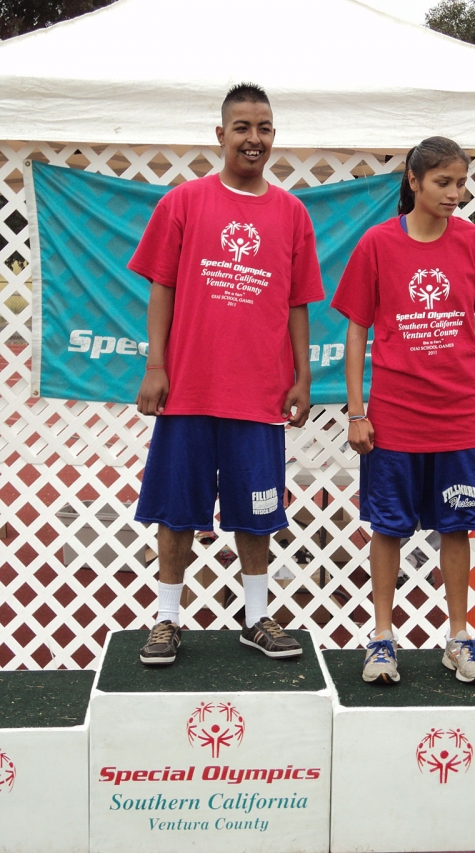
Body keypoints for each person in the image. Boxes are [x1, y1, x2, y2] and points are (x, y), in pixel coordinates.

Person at [129, 83, 324, 665]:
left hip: (259, 393)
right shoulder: (183, 203)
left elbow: (298, 304)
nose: (254, 138)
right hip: (188, 389)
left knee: (257, 511)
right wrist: (155, 366)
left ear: (273, 136)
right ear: (220, 135)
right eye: (242, 127)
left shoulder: (292, 213)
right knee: (175, 508)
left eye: (264, 128)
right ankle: (166, 621)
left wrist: (303, 376)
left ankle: (257, 617)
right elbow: (161, 287)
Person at [331, 137, 475, 685]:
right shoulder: (376, 245)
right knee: (388, 529)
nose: (455, 194)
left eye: (462, 183)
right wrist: (356, 410)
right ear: (413, 181)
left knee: (457, 528)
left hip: (458, 417)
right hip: (393, 419)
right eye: (444, 182)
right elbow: (356, 331)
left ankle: (458, 637)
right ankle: (382, 638)